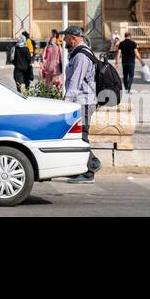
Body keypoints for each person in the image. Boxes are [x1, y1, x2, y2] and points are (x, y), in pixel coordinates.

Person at [62, 26, 101, 183]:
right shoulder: (78, 53)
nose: (64, 40)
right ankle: (86, 166)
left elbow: (75, 81)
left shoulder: (81, 56)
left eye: (66, 38)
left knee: (81, 136)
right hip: (82, 101)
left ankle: (90, 169)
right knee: (77, 135)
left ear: (73, 38)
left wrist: (66, 102)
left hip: (84, 102)